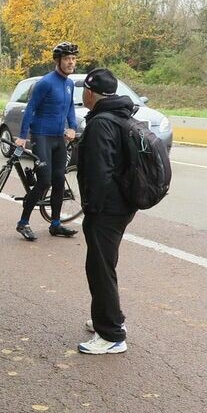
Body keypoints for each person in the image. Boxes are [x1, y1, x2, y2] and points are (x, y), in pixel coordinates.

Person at [75, 68, 137, 355]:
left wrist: (92, 209)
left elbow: (100, 172)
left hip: (107, 209)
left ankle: (111, 334)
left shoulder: (101, 123)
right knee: (105, 265)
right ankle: (109, 318)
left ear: (90, 93)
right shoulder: (122, 115)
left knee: (99, 269)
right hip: (122, 205)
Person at [14, 42, 80, 241]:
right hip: (41, 136)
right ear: (58, 61)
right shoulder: (45, 82)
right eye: (67, 58)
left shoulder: (69, 84)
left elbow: (70, 109)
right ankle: (23, 222)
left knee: (59, 180)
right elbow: (30, 108)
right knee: (45, 180)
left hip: (58, 138)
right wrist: (22, 137)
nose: (71, 62)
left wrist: (72, 128)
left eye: (73, 59)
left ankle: (56, 224)